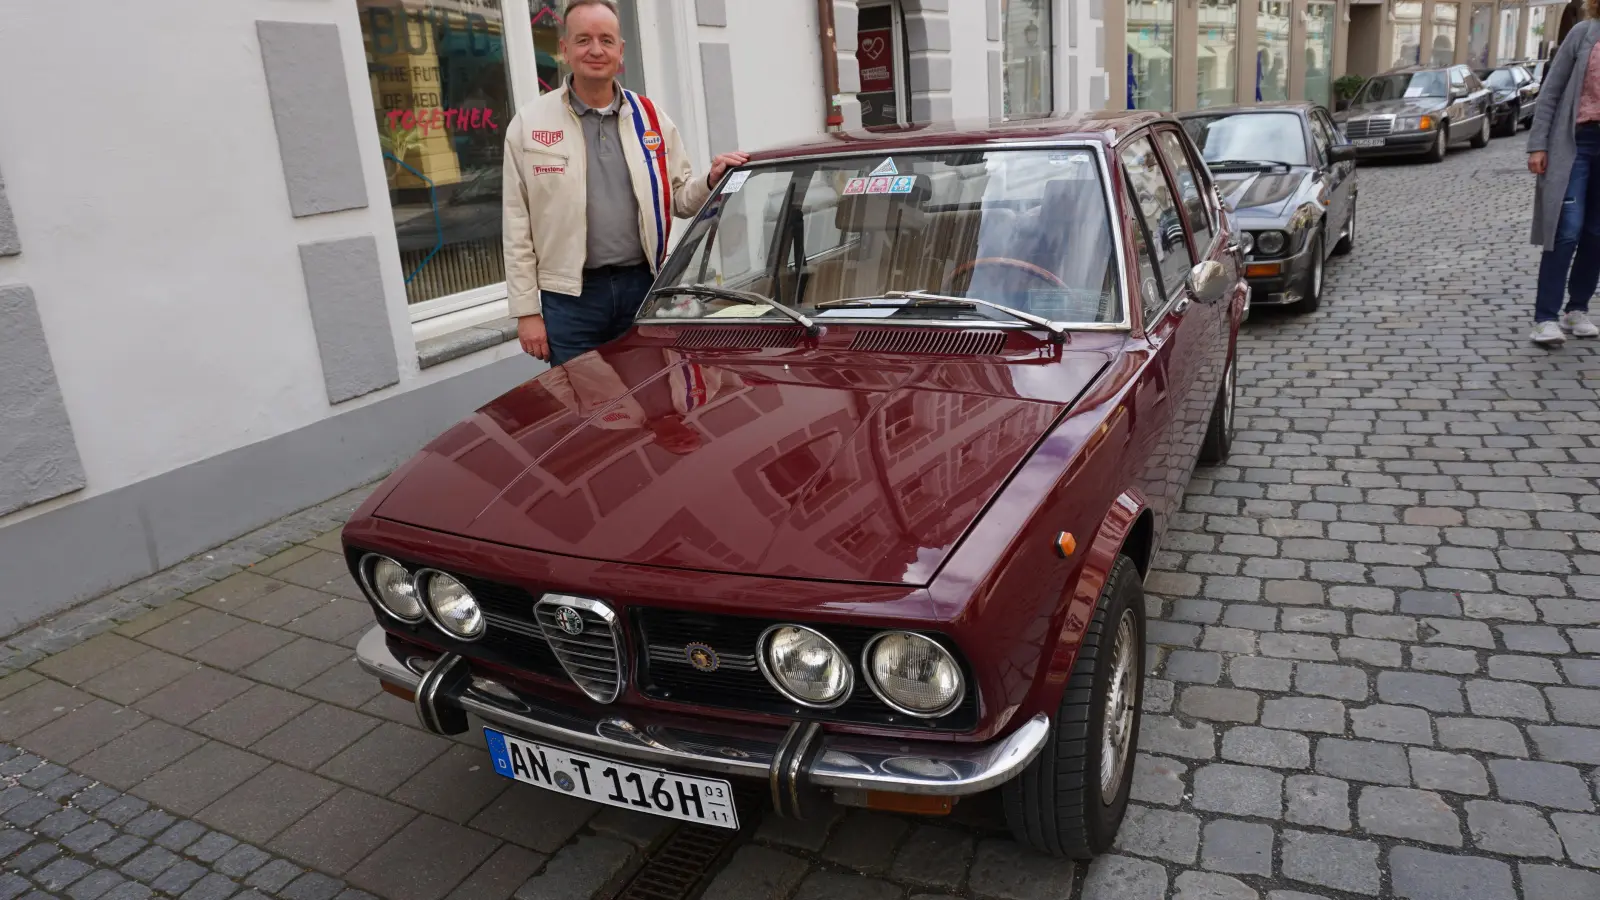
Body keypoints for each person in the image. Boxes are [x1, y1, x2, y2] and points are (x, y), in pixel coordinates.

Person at [502, 0, 748, 365]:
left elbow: (678, 199)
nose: (596, 50)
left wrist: (710, 181)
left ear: (621, 50)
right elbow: (516, 224)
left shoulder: (651, 119)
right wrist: (526, 312)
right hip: (571, 300)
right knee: (584, 405)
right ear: (564, 49)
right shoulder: (530, 125)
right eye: (583, 40)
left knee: (651, 397)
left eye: (606, 39)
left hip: (644, 287)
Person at [1527, 2, 1600, 345]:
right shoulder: (1584, 33)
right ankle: (1545, 318)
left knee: (1596, 233)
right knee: (1566, 229)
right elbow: (1551, 92)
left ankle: (1577, 309)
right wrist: (1538, 145)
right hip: (1577, 143)